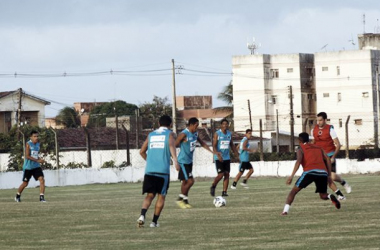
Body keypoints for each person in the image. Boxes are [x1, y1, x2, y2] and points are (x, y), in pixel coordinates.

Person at [281, 132, 341, 215]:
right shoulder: (318, 147)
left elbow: (298, 162)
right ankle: (330, 196)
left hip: (309, 172)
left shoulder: (300, 148)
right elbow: (327, 158)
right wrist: (329, 174)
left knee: (293, 191)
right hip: (322, 172)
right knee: (323, 195)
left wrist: (291, 176)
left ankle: (285, 211)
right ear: (308, 139)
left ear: (299, 140)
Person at [137, 115, 180, 228]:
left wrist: (150, 161)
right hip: (162, 172)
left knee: (149, 195)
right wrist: (176, 161)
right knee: (161, 196)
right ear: (170, 124)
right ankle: (154, 222)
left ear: (158, 123)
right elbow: (171, 146)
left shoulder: (151, 135)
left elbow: (141, 151)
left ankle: (142, 215)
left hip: (150, 170)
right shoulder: (170, 134)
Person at [175, 117, 222, 209]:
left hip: (189, 161)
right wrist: (174, 160)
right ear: (191, 125)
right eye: (196, 125)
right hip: (183, 161)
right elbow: (173, 144)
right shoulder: (184, 134)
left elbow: (203, 143)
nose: (197, 127)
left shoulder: (195, 133)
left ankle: (185, 201)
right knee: (190, 181)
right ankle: (180, 199)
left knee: (185, 182)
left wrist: (213, 152)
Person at [310, 112, 351, 200]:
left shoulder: (330, 129)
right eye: (317, 120)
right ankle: (340, 195)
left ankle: (343, 182)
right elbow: (314, 142)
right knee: (326, 178)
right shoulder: (314, 130)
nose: (319, 122)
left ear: (325, 120)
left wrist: (333, 157)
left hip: (329, 155)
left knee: (331, 176)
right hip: (320, 157)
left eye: (320, 120)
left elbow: (338, 144)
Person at [210, 119, 239, 197]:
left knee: (227, 174)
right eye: (224, 124)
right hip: (219, 158)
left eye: (227, 124)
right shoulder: (217, 134)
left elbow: (232, 145)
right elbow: (214, 145)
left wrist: (237, 155)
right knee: (220, 174)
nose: (225, 125)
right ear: (221, 125)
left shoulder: (229, 134)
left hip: (227, 158)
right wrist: (218, 155)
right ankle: (213, 186)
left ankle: (224, 192)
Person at [15, 130, 46, 202]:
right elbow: (27, 156)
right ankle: (17, 195)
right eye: (34, 136)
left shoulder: (38, 144)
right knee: (25, 183)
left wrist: (40, 159)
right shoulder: (28, 144)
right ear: (31, 137)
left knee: (42, 179)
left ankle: (41, 197)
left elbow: (35, 155)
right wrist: (38, 160)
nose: (36, 138)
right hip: (28, 167)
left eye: (37, 136)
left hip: (36, 166)